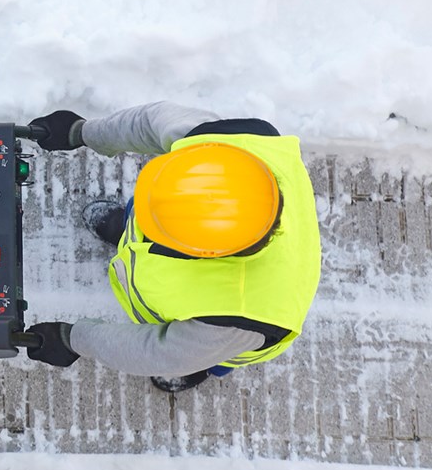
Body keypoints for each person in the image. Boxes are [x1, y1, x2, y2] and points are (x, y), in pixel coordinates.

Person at [19, 102, 322, 392]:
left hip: (224, 340)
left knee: (205, 357)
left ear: (203, 256)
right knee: (150, 215)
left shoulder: (234, 321)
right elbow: (152, 121)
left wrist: (74, 339)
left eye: (159, 235)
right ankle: (128, 233)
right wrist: (83, 132)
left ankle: (203, 369)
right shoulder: (228, 142)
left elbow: (154, 352)